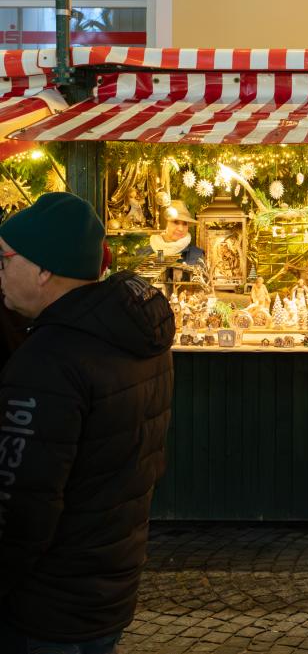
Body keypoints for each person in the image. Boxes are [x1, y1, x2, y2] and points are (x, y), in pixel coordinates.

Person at [0, 192, 175, 652]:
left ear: (42, 270)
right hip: (108, 587)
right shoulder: (135, 337)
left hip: (45, 605)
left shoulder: (48, 361)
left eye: (4, 260)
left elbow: (21, 505)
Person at [140, 199, 206, 267]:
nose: (181, 229)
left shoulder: (196, 255)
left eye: (185, 224)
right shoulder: (143, 254)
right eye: (175, 222)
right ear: (163, 223)